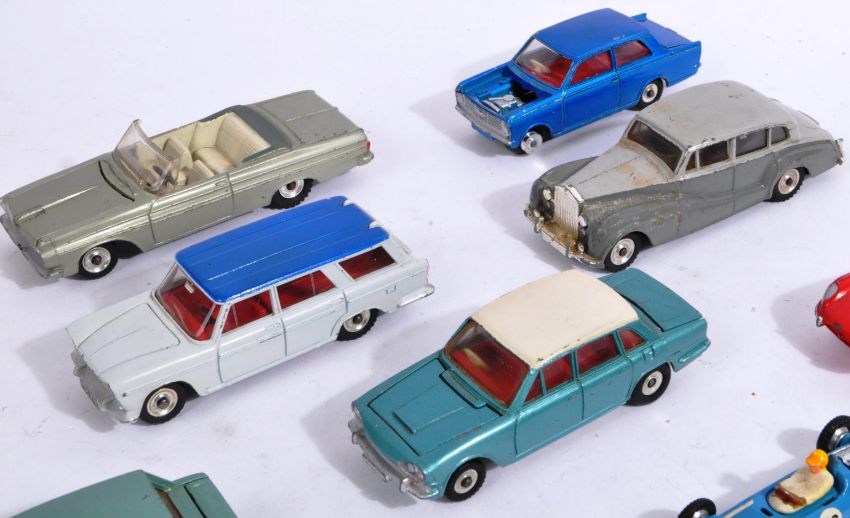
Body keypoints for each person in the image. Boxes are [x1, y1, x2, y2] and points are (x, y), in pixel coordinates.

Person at [768, 449, 834, 514]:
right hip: (793, 490)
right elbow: (795, 478)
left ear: (821, 466)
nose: (810, 468)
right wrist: (783, 485)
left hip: (802, 496)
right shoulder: (806, 467)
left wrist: (804, 500)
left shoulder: (827, 479)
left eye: (814, 466)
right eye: (810, 465)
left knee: (790, 503)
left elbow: (816, 494)